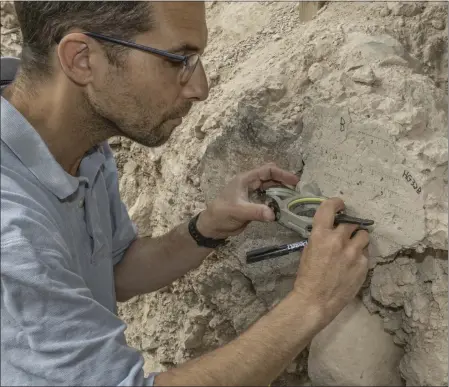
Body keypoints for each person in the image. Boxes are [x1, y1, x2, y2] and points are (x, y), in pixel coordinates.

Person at [1, 2, 370, 386]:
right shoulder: (12, 232)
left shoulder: (81, 141)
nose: (201, 88)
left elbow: (115, 273)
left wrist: (208, 226)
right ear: (82, 59)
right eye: (179, 60)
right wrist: (311, 302)